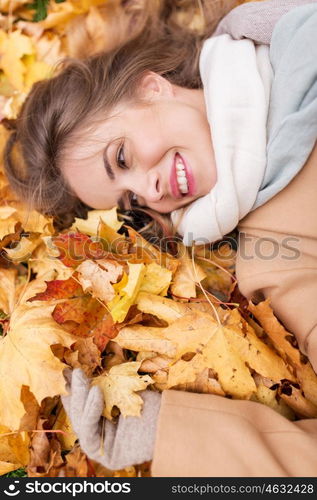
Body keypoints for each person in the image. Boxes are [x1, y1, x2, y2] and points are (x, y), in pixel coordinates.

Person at [3, 0, 317, 476]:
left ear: (151, 86)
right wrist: (156, 432)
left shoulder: (278, 25)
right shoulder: (278, 259)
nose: (150, 190)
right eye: (133, 204)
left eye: (123, 157)